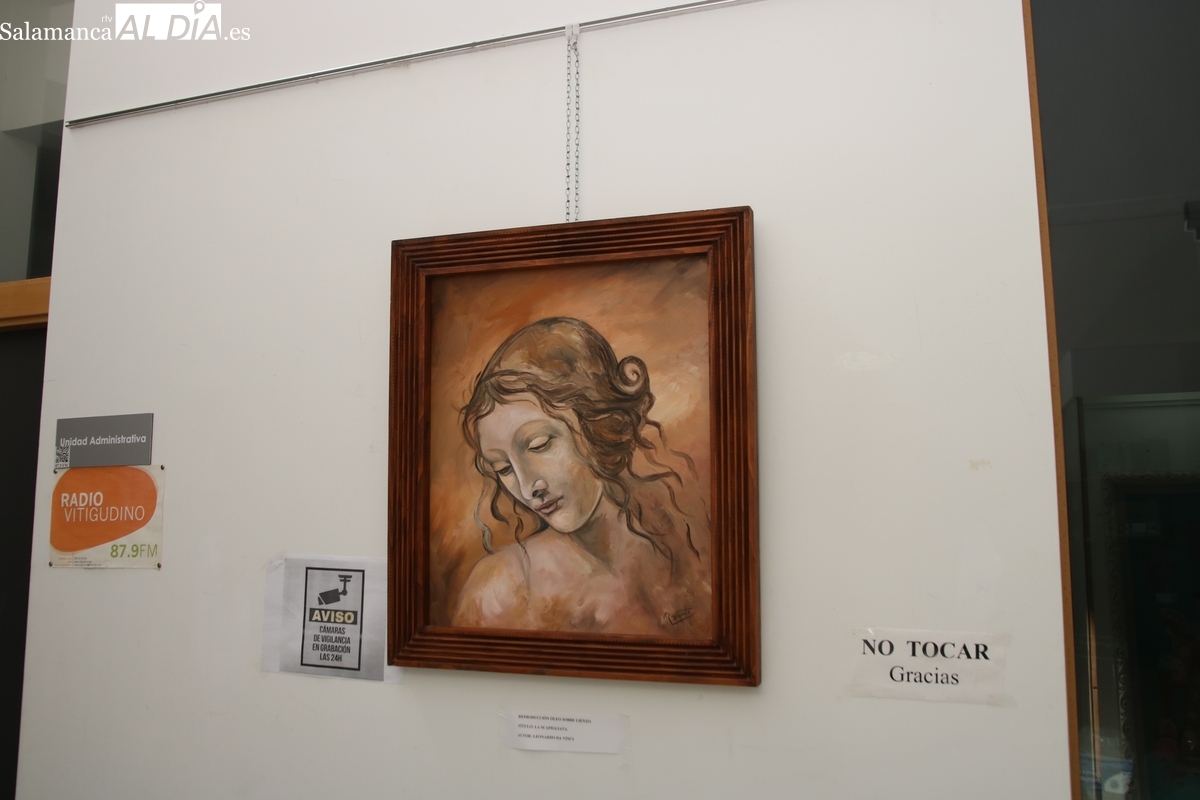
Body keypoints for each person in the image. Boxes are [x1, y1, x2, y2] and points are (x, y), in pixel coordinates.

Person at [451, 316, 711, 636]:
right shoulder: (500, 591)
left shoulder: (690, 540)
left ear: (597, 424)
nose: (528, 487)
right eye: (503, 468)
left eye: (539, 444)